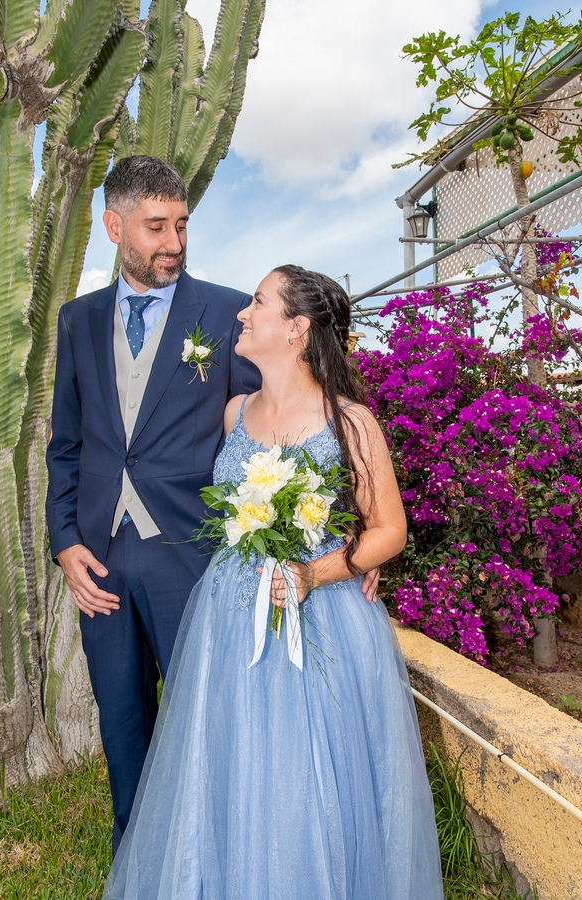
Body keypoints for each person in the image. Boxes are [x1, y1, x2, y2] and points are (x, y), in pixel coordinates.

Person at [102, 265, 445, 900]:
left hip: (323, 615)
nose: (242, 313)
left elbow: (388, 530)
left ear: (295, 328)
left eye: (258, 302)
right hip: (231, 611)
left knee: (313, 764)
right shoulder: (235, 412)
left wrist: (319, 571)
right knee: (231, 757)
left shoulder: (351, 422)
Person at [45, 155, 262, 853]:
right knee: (123, 722)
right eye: (156, 226)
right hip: (101, 560)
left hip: (192, 555)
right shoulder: (78, 320)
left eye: (182, 225)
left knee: (208, 720)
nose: (173, 242)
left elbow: (271, 425)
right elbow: (67, 442)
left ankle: (218, 860)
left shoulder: (229, 311)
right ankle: (138, 860)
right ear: (115, 226)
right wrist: (64, 541)